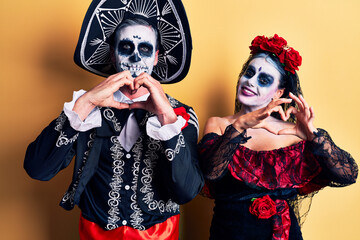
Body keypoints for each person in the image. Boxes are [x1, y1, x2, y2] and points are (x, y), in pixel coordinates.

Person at [24, 0, 203, 239]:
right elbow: (38, 169)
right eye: (126, 47)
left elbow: (186, 191)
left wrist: (165, 116)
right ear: (113, 53)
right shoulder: (86, 109)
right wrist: (86, 102)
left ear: (157, 57)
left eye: (146, 49)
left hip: (159, 235)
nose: (135, 58)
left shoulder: (179, 115)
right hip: (95, 234)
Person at [198, 34, 358, 240]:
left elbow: (348, 175)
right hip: (228, 232)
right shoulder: (219, 124)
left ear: (278, 92)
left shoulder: (294, 134)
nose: (250, 81)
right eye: (249, 72)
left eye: (263, 80)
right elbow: (210, 172)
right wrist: (238, 126)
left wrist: (312, 136)